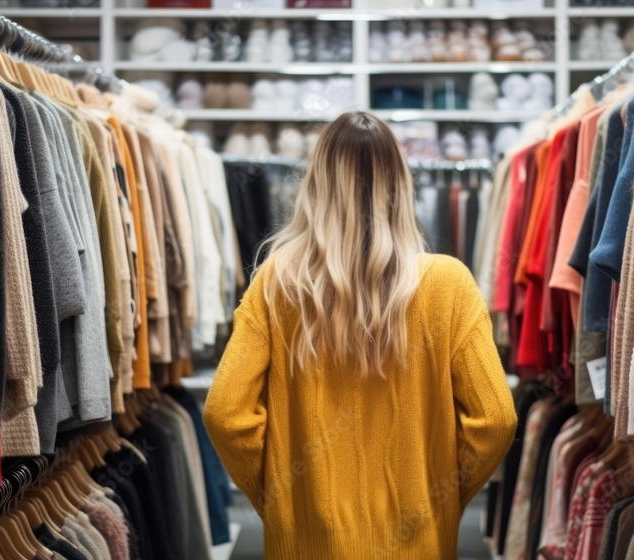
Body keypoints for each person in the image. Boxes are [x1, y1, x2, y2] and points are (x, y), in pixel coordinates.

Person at [204, 111, 517, 558]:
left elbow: (224, 415)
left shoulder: (278, 281)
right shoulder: (449, 283)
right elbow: (497, 420)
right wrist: (441, 496)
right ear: (401, 184)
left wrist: (282, 498)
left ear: (316, 184)